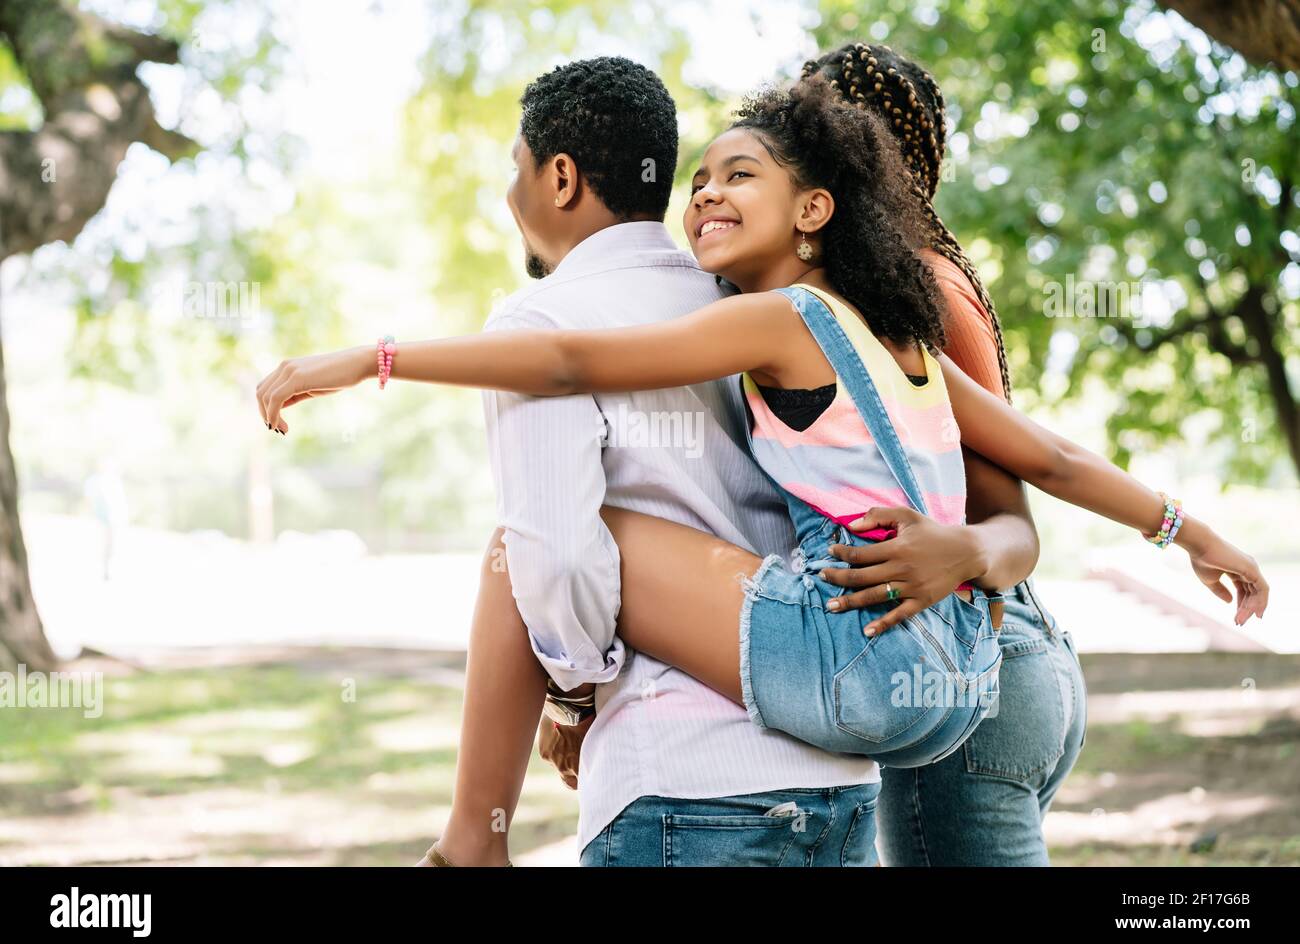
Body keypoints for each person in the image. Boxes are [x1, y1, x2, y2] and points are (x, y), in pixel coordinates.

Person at [255, 74, 1269, 864]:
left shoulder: (783, 319)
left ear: (815, 209)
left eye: (739, 174)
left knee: (537, 539)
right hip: (949, 678)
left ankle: (475, 840)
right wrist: (1190, 532)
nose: (705, 192)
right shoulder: (894, 340)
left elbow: (569, 361)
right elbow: (1050, 453)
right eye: (698, 180)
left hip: (855, 660)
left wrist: (374, 358)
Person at [804, 41, 1093, 865]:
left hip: (976, 683)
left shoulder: (912, 289)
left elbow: (1012, 520)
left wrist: (957, 554)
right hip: (1006, 670)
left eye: (809, 126)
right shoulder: (900, 277)